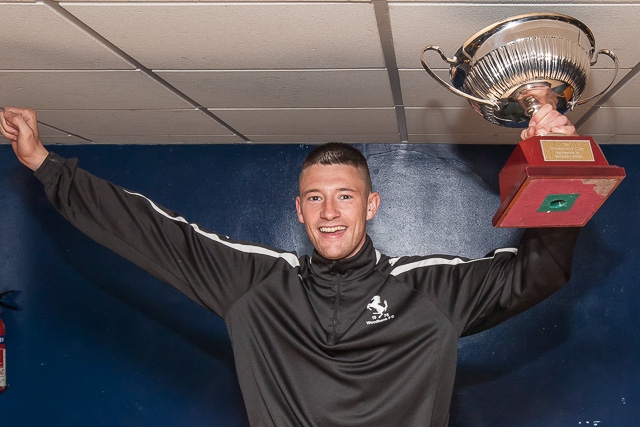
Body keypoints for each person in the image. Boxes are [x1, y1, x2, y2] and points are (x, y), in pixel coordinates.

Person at [1, 106, 580, 426]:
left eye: (345, 196)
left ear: (371, 204)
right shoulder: (256, 282)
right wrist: (46, 165)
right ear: (298, 209)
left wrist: (558, 164)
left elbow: (538, 272)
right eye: (315, 198)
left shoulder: (430, 288)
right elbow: (151, 233)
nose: (330, 212)